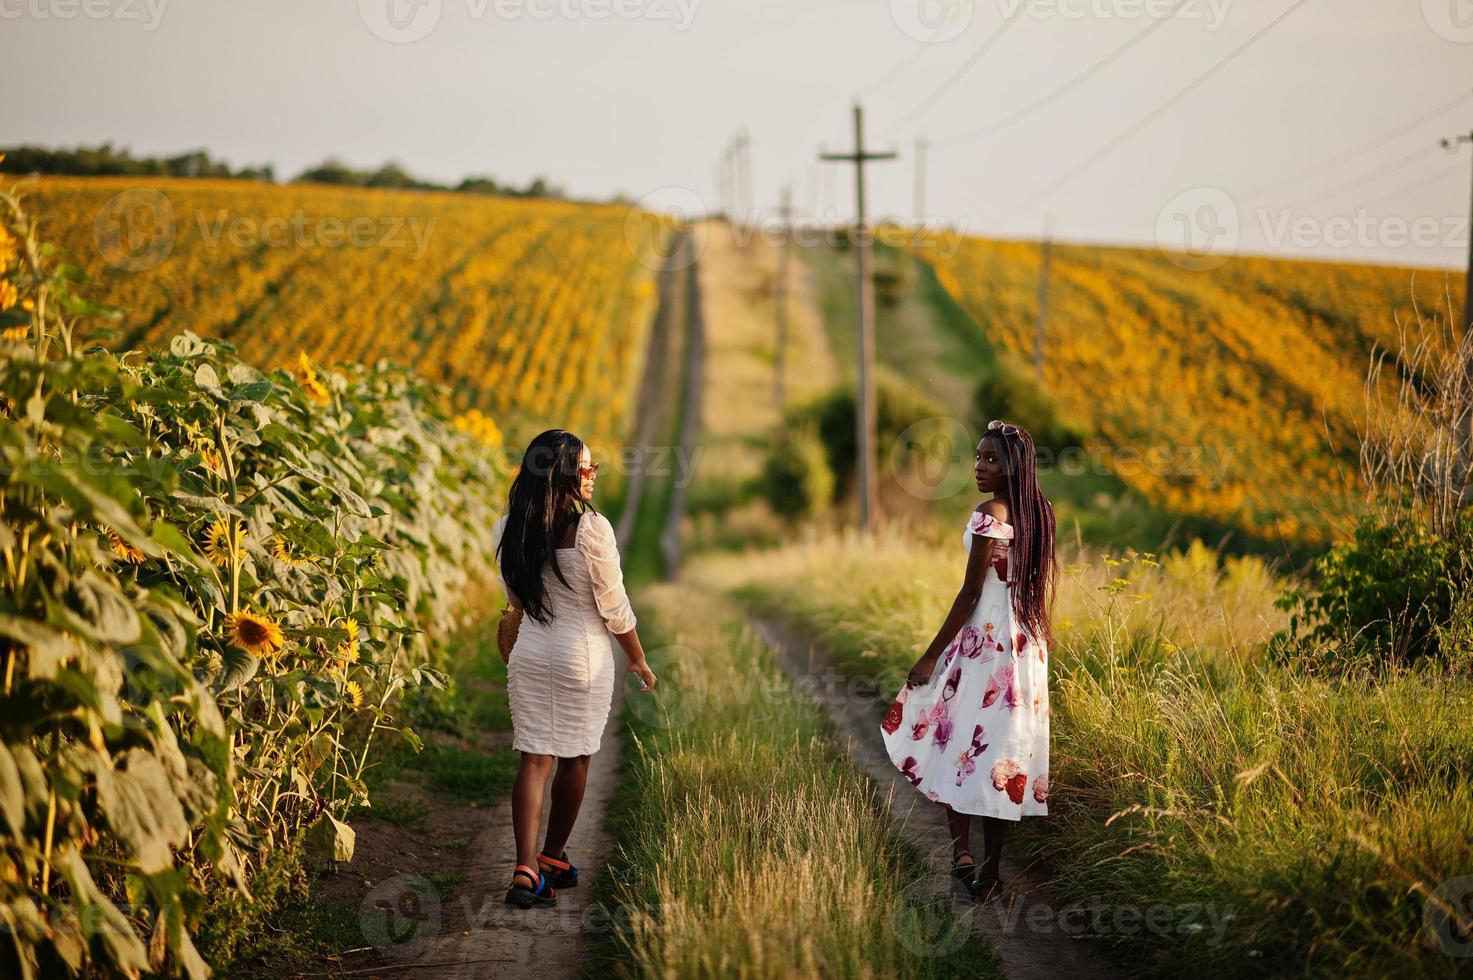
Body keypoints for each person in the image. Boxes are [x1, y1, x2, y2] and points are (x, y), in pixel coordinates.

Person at [879, 419, 1057, 901]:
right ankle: (992, 872)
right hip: (1025, 646)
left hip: (984, 642)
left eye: (991, 459)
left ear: (1013, 465)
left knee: (952, 736)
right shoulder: (1040, 513)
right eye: (978, 457)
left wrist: (928, 657)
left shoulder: (988, 514)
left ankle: (962, 853)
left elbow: (970, 593)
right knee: (1005, 752)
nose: (980, 466)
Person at [491, 429, 658, 910]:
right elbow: (614, 608)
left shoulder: (509, 528)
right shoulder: (591, 529)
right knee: (576, 758)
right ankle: (554, 856)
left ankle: (525, 869)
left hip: (530, 651)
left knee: (533, 759)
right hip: (581, 655)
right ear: (564, 474)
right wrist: (639, 657)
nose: (592, 477)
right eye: (586, 469)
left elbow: (517, 602)